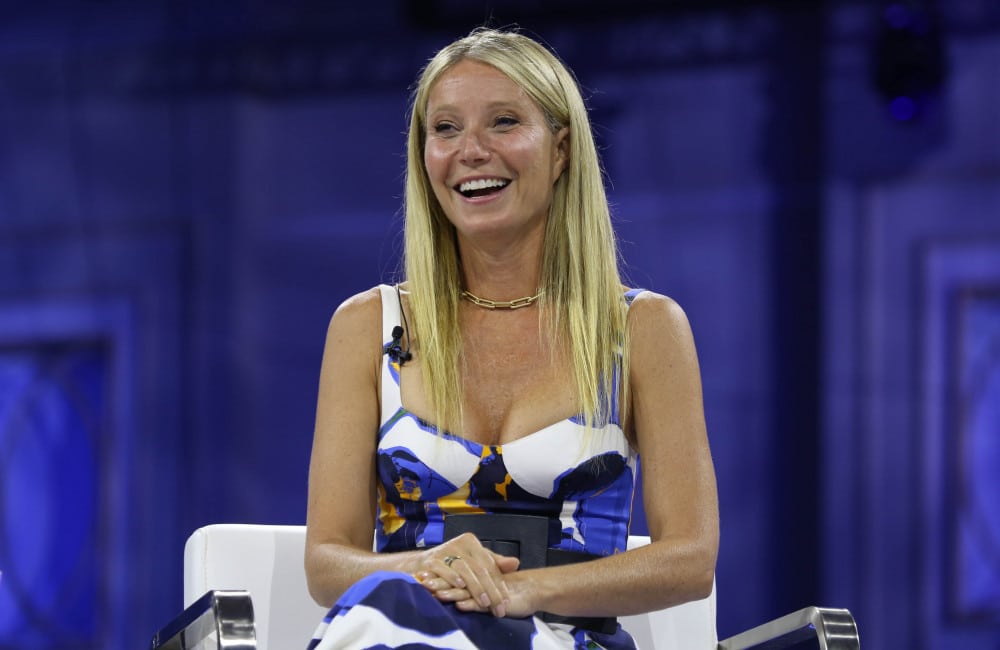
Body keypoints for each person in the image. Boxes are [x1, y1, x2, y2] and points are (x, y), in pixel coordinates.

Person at [303, 26, 718, 650]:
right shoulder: (367, 325)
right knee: (388, 615)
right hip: (400, 623)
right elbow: (327, 562)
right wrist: (424, 569)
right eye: (445, 129)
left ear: (561, 150)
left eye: (502, 122)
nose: (470, 150)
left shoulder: (643, 330)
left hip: (566, 638)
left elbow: (689, 560)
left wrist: (524, 592)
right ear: (423, 156)